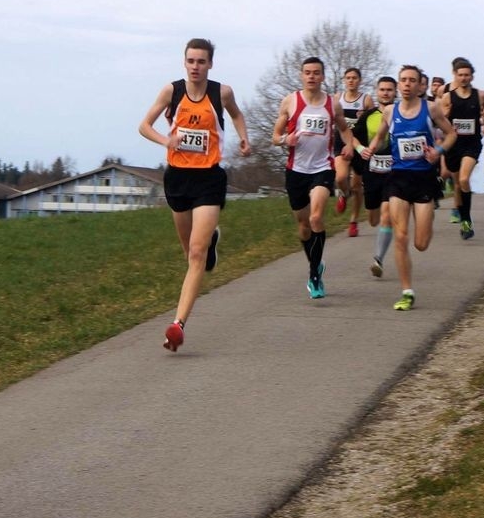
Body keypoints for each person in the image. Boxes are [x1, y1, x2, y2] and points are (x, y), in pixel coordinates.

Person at [139, 38, 251, 351]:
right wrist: (166, 141)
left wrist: (243, 139)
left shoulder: (221, 93)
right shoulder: (171, 92)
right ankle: (211, 242)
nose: (196, 67)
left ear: (210, 64)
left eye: (201, 61)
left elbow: (237, 114)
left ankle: (178, 325)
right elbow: (144, 126)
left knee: (197, 254)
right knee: (189, 253)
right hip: (177, 179)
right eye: (191, 61)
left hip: (208, 179)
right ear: (184, 62)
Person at [362, 65, 457, 311]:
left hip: (424, 178)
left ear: (419, 85)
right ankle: (407, 291)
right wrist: (370, 148)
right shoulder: (390, 111)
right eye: (402, 80)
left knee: (421, 243)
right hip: (398, 178)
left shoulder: (431, 108)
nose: (406, 84)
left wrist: (438, 151)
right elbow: (381, 134)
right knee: (401, 236)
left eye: (411, 80)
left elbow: (451, 134)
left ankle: (428, 221)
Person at [274, 57, 353, 298]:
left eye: (316, 73)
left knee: (316, 217)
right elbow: (275, 135)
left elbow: (344, 128)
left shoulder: (332, 104)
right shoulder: (290, 101)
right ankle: (315, 262)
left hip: (322, 168)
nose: (311, 77)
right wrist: (284, 140)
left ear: (323, 76)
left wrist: (349, 145)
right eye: (307, 72)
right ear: (301, 75)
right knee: (303, 226)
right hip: (296, 170)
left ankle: (314, 276)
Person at [438, 57, 484, 240]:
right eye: (460, 75)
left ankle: (467, 220)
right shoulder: (447, 97)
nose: (463, 78)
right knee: (458, 185)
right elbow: (440, 120)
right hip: (453, 145)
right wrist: (446, 114)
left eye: (467, 75)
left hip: (472, 144)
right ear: (455, 75)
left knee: (464, 178)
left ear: (472, 76)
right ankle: (462, 218)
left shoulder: (480, 95)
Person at [355, 75, 397, 277]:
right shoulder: (369, 115)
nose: (386, 93)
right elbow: (353, 136)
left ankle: (378, 259)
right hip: (372, 172)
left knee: (387, 216)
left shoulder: (401, 114)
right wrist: (360, 148)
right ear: (377, 92)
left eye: (390, 89)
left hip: (395, 172)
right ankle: (379, 223)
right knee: (373, 218)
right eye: (382, 90)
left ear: (395, 92)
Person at [337, 68, 374, 237]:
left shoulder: (366, 100)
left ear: (359, 80)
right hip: (341, 143)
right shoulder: (337, 99)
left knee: (357, 186)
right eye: (348, 78)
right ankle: (344, 194)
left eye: (354, 78)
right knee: (341, 177)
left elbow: (374, 124)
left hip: (360, 145)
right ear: (344, 80)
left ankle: (353, 221)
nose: (351, 81)